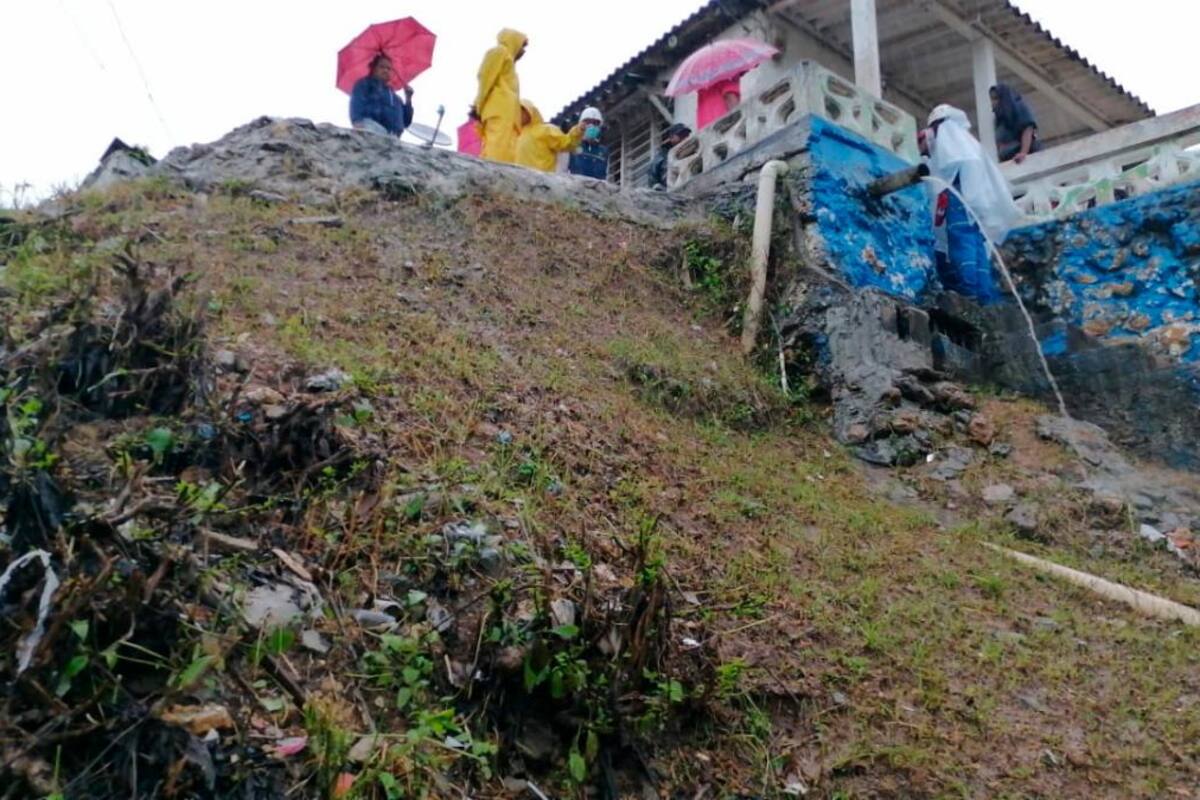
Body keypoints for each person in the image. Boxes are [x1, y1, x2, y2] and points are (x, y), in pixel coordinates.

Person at [926, 104, 1022, 304]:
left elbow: (945, 170)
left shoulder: (949, 139)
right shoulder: (970, 144)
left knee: (961, 242)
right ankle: (983, 295)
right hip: (977, 205)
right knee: (977, 246)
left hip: (960, 199)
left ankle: (968, 291)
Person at [472, 29, 528, 164]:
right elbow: (486, 78)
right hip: (499, 111)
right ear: (514, 41)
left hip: (507, 114)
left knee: (505, 148)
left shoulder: (510, 63)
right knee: (497, 145)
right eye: (522, 45)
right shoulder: (499, 51)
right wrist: (478, 105)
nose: (523, 51)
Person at [349, 55, 414, 136]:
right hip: (371, 129)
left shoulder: (395, 97)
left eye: (389, 68)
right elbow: (356, 103)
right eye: (382, 67)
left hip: (392, 137)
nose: (386, 70)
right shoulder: (365, 84)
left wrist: (408, 98)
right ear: (374, 69)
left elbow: (406, 121)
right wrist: (357, 121)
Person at [515, 101, 583, 173]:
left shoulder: (546, 130)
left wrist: (578, 131)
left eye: (522, 110)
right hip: (519, 178)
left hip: (540, 178)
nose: (519, 114)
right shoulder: (517, 134)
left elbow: (566, 143)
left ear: (530, 112)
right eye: (517, 111)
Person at [990, 83, 1040, 164]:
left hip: (1021, 157)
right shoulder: (998, 119)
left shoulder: (1019, 107)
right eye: (991, 99)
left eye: (996, 98)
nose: (993, 102)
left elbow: (1028, 129)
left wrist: (1023, 152)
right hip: (1008, 160)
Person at [567, 107, 609, 180]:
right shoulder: (573, 145)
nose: (591, 126)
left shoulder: (603, 151)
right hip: (576, 184)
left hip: (597, 186)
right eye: (588, 122)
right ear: (581, 125)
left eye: (595, 123)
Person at [649, 123, 691, 189]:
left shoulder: (692, 151)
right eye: (681, 135)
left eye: (687, 135)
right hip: (670, 192)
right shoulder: (661, 157)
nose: (685, 138)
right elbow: (653, 181)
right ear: (672, 138)